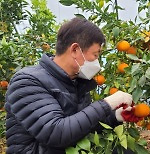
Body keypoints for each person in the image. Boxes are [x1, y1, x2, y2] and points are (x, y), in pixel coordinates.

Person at [5, 17, 135, 154]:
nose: (97, 63)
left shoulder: (76, 82)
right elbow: (56, 133)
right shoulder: (27, 81)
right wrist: (107, 104)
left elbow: (81, 125)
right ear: (75, 50)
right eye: (95, 55)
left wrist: (115, 116)